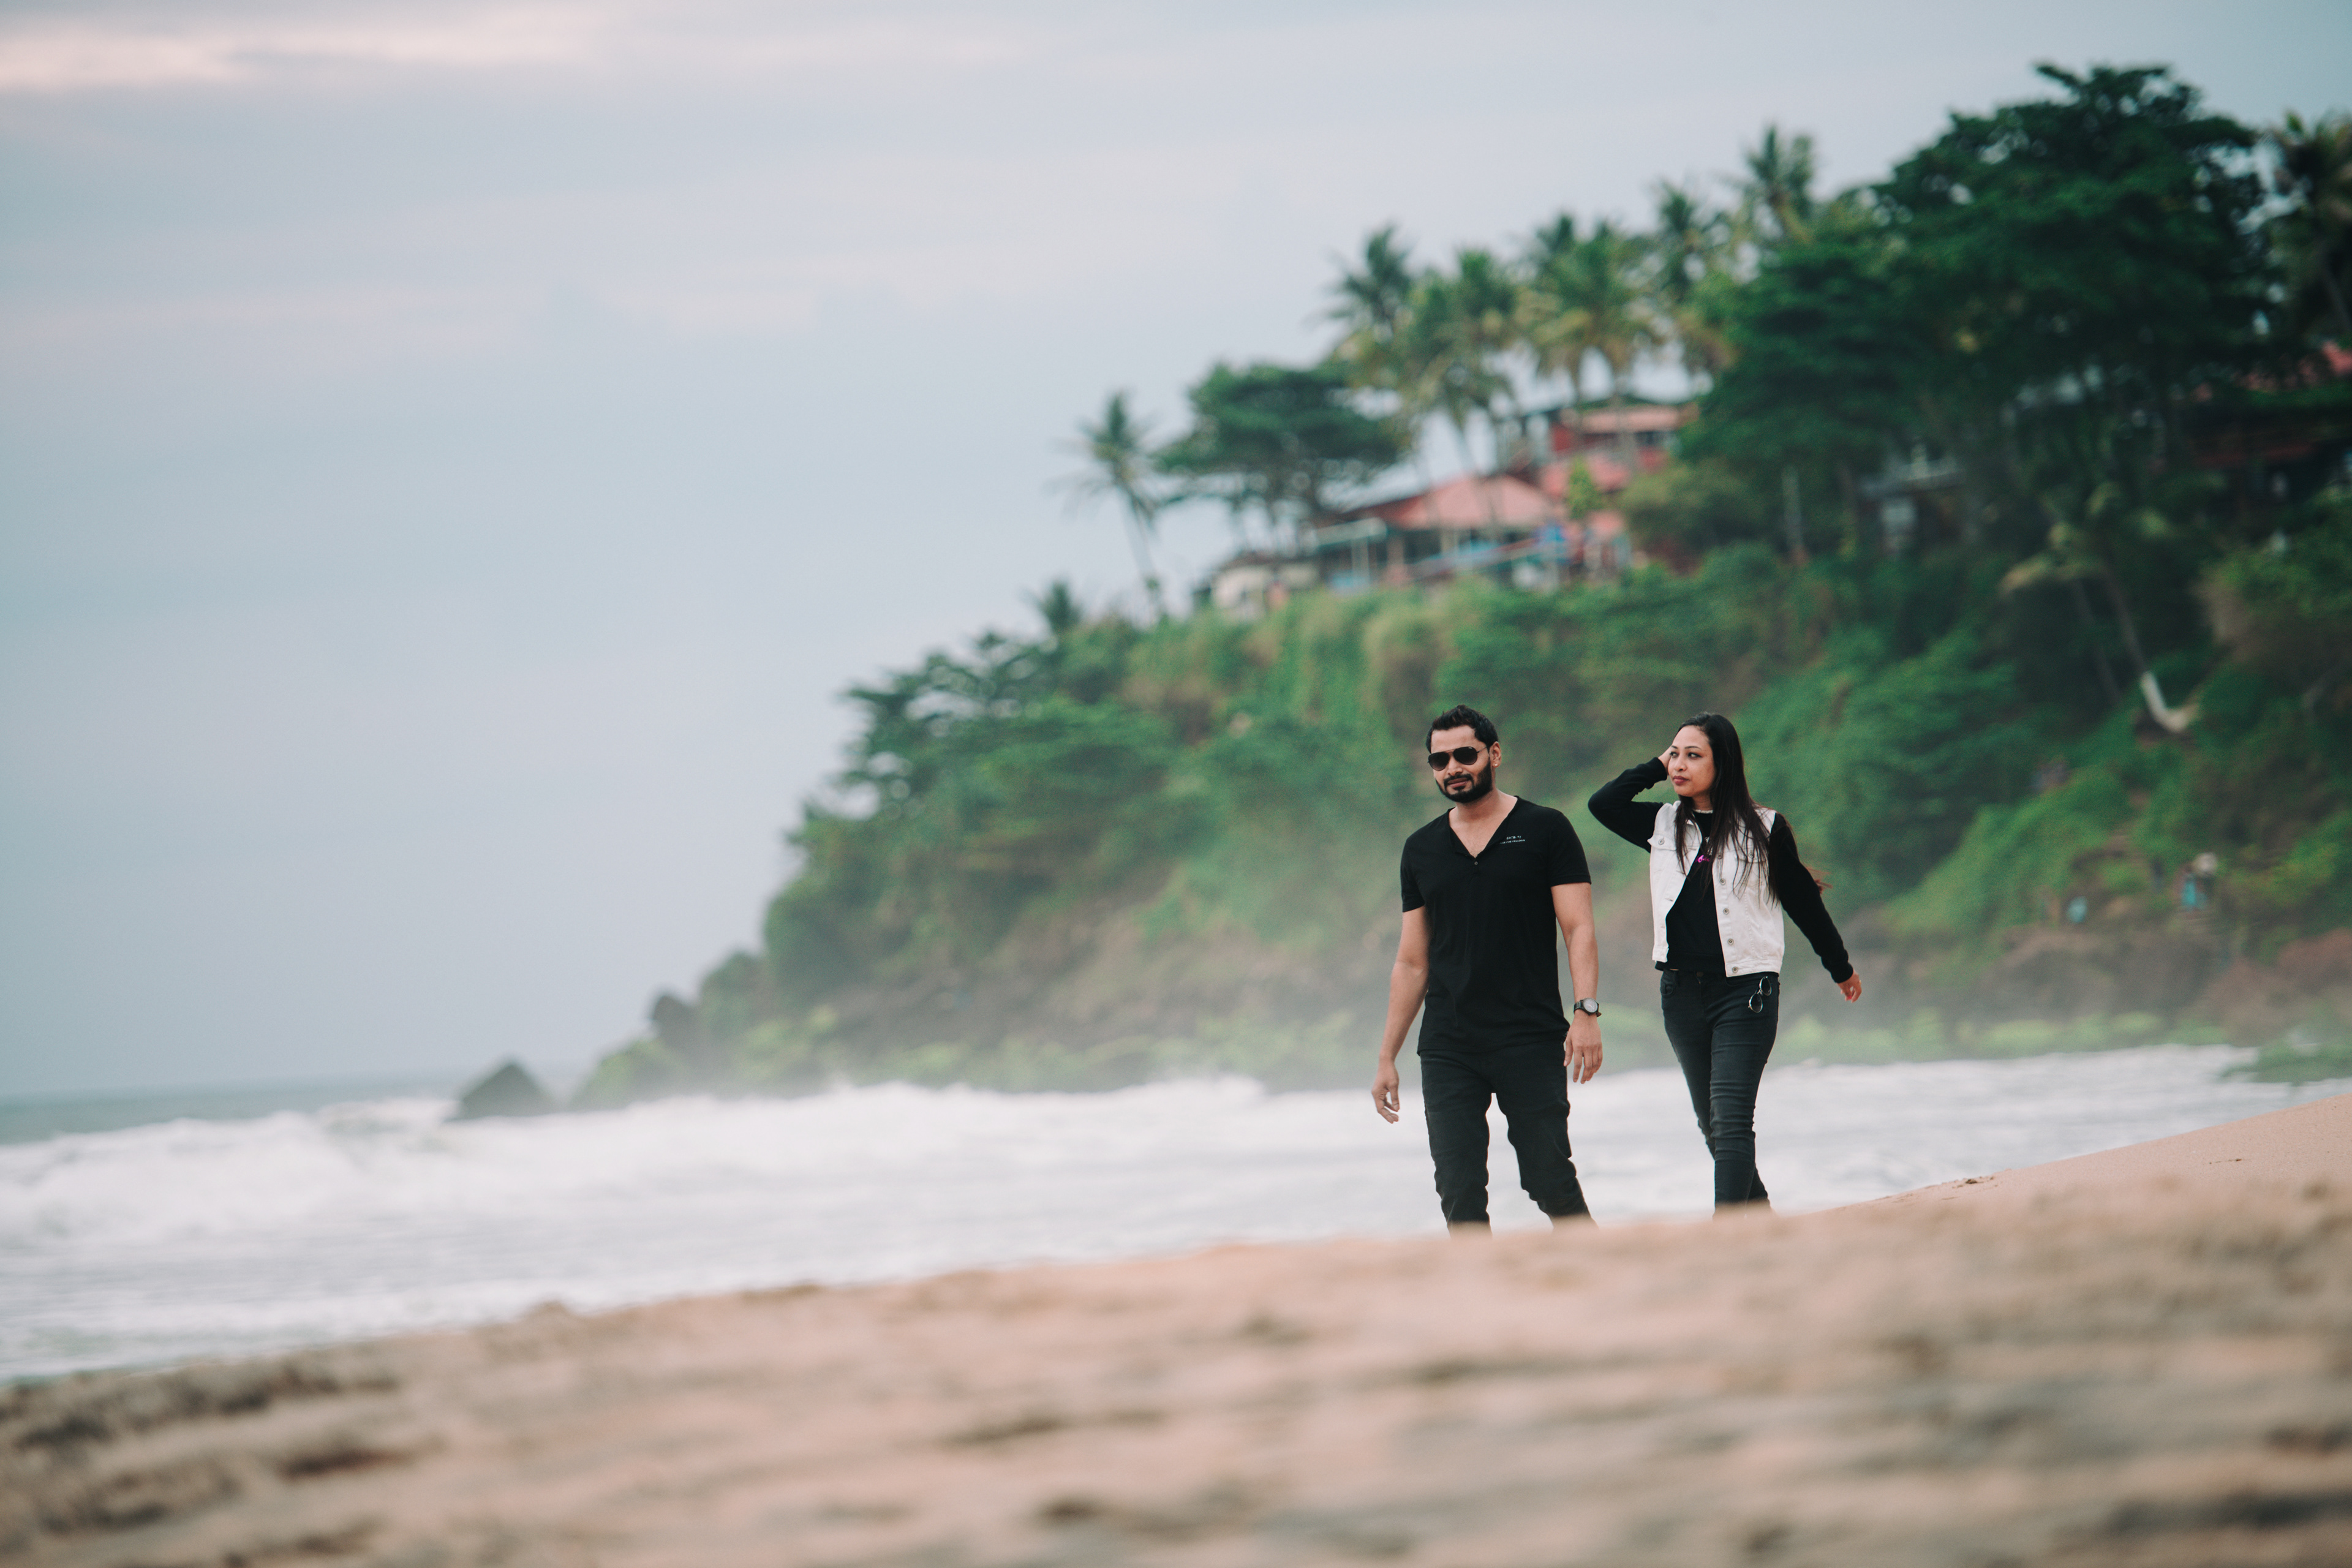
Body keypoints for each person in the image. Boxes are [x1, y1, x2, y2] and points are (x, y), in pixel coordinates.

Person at [1588, 712, 1861, 1213]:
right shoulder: (1661, 824)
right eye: (1675, 754)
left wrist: (1839, 967)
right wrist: (1656, 765)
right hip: (1681, 995)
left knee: (1732, 1119)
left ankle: (1728, 1232)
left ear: (1724, 763)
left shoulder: (1766, 829)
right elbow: (1602, 804)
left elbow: (1803, 901)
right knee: (1712, 1122)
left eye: (1693, 756)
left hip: (1746, 992)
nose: (1679, 765)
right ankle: (1759, 1222)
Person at [1371, 705, 1604, 1231]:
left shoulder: (1546, 829)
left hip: (1529, 1036)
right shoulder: (1421, 849)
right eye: (1440, 760)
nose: (1452, 768)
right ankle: (1475, 1284)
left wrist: (1585, 1011)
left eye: (1465, 755)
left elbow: (1578, 928)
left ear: (1493, 754)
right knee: (1458, 1189)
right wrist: (1387, 1055)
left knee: (1549, 1178)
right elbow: (1412, 962)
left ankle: (1598, 1268)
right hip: (1449, 1044)